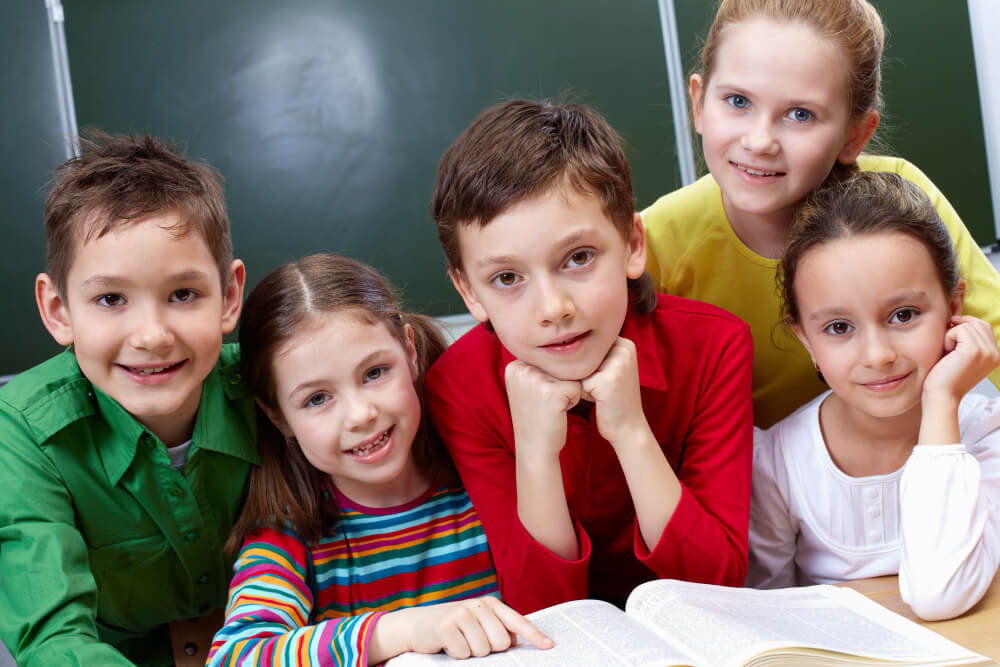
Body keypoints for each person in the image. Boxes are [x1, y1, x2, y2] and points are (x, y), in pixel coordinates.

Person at [427, 98, 754, 614]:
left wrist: (631, 432)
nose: (553, 309)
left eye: (578, 258)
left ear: (632, 244)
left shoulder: (715, 347)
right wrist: (535, 453)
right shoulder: (457, 387)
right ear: (469, 292)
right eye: (507, 278)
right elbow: (541, 610)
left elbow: (717, 582)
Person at [641, 0, 1000, 428]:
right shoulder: (657, 241)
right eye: (738, 101)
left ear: (854, 136)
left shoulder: (901, 202)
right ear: (699, 104)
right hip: (753, 467)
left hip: (909, 450)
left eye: (800, 114)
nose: (760, 141)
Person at [207, 254, 552, 666]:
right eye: (317, 399)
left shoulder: (482, 477)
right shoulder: (288, 534)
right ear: (278, 416)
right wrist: (400, 630)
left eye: (374, 373)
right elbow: (235, 657)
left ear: (409, 351)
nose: (360, 415)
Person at [0, 133, 252, 665]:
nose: (152, 336)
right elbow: (55, 640)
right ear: (58, 311)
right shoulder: (21, 431)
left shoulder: (273, 383)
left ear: (229, 297)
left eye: (183, 294)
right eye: (111, 298)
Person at [747, 171, 1000, 621]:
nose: (878, 355)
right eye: (838, 327)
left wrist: (942, 401)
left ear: (953, 308)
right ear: (805, 339)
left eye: (904, 315)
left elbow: (939, 593)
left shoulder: (987, 435)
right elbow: (767, 614)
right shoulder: (778, 462)